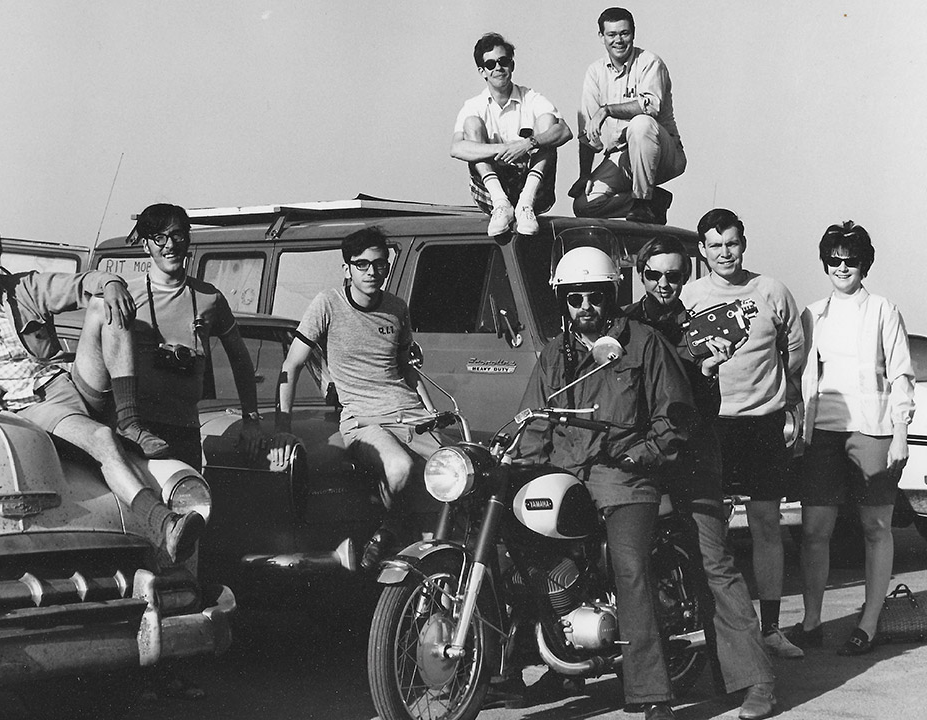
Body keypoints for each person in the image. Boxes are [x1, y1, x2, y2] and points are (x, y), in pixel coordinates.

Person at [0, 214, 202, 565]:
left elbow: (80, 283)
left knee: (103, 304)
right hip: (26, 407)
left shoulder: (22, 288)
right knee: (102, 440)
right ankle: (164, 525)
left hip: (64, 383)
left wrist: (111, 282)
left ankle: (130, 420)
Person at [517, 245, 693, 720]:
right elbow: (535, 420)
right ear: (564, 301)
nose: (586, 307)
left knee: (628, 567)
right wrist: (523, 470)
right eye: (575, 298)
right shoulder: (555, 353)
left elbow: (673, 416)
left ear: (612, 294)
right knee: (513, 547)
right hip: (564, 477)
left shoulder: (644, 343)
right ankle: (511, 668)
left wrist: (641, 454)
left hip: (624, 479)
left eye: (595, 296)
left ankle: (652, 693)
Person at [624, 236, 777, 720]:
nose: (665, 284)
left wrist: (708, 371)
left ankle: (756, 681)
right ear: (640, 273)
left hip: (690, 459)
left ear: (685, 275)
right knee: (620, 563)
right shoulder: (621, 324)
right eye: (655, 275)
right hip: (633, 460)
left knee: (715, 564)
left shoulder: (702, 326)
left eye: (674, 275)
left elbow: (704, 410)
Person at [680, 208, 806, 658]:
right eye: (715, 246)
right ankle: (715, 632)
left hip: (763, 425)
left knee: (767, 525)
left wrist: (780, 393)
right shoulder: (690, 296)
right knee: (709, 530)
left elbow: (794, 349)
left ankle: (770, 630)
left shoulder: (772, 290)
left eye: (731, 243)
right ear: (702, 250)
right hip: (713, 426)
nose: (725, 253)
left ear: (744, 243)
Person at [276, 226, 437, 571]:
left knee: (458, 475)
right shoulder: (327, 304)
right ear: (346, 268)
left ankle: (426, 561)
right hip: (363, 420)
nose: (372, 273)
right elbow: (292, 364)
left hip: (409, 415)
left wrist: (430, 410)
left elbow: (406, 370)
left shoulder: (397, 308)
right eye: (362, 265)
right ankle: (390, 533)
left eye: (380, 265)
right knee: (400, 467)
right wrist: (282, 427)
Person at [790, 222, 914, 656]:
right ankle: (810, 622)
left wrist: (900, 433)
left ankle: (869, 622)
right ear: (825, 262)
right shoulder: (811, 313)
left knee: (875, 526)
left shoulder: (883, 309)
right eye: (835, 260)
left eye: (852, 260)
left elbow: (901, 373)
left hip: (873, 430)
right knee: (813, 530)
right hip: (822, 432)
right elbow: (796, 373)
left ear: (865, 264)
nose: (842, 267)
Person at [75, 203, 265, 470]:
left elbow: (241, 360)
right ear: (145, 246)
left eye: (177, 235)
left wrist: (251, 419)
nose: (169, 245)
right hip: (135, 432)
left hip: (185, 429)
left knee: (191, 506)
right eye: (159, 238)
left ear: (188, 239)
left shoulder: (210, 298)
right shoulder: (126, 296)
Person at [570, 7, 685, 224]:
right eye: (612, 34)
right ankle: (653, 200)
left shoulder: (650, 62)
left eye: (624, 33)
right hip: (623, 156)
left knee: (640, 124)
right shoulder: (595, 72)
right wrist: (585, 174)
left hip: (663, 153)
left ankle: (642, 202)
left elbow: (651, 107)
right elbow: (587, 132)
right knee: (584, 205)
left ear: (633, 32)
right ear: (601, 37)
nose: (619, 40)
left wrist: (607, 109)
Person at [451, 32, 572, 237]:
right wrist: (504, 148)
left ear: (512, 65)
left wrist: (528, 143)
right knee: (471, 126)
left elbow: (564, 131)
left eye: (503, 61)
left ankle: (525, 204)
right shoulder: (474, 105)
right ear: (482, 71)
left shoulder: (532, 98)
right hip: (492, 190)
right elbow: (456, 148)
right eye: (491, 64)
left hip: (532, 188)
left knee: (548, 123)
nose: (498, 68)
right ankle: (501, 205)